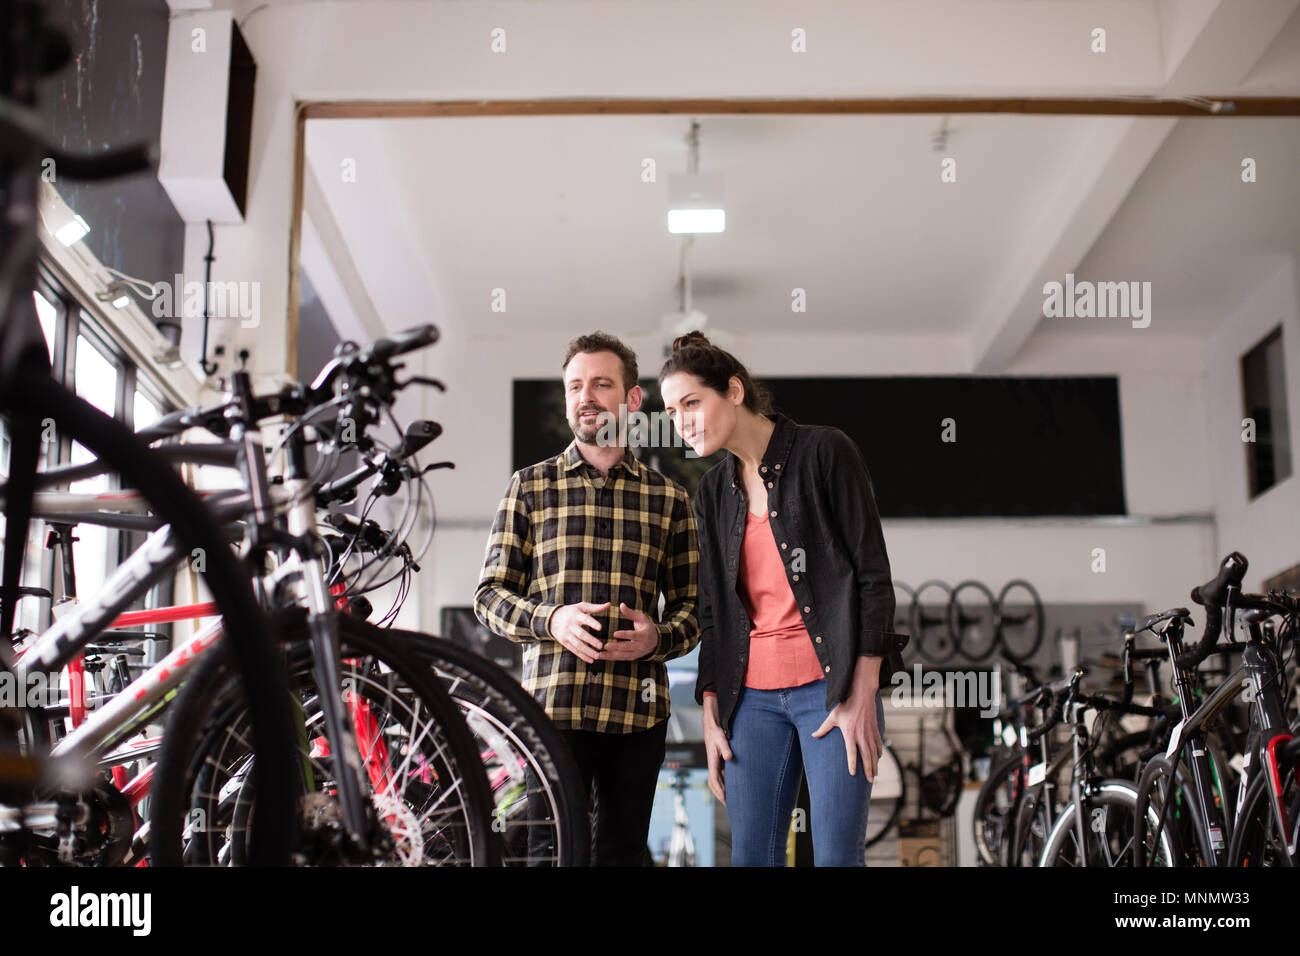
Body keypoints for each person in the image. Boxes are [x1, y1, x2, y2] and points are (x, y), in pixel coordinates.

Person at [658, 331, 907, 867]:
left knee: (837, 857)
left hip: (832, 691)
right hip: (751, 702)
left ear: (735, 390)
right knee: (752, 857)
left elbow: (872, 578)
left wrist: (864, 692)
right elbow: (713, 613)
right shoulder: (711, 493)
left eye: (692, 403)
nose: (682, 422)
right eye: (672, 411)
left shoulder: (825, 452)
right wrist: (710, 711)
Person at [474, 331, 700, 866]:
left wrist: (656, 638)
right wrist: (551, 621)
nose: (587, 396)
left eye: (601, 384)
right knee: (551, 854)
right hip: (553, 713)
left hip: (637, 718)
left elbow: (696, 613)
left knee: (622, 855)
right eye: (575, 385)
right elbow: (488, 597)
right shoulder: (529, 487)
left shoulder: (669, 499)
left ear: (632, 399)